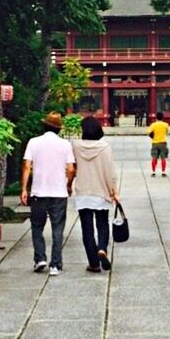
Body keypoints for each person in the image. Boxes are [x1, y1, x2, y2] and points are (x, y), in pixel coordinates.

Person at [21, 111, 76, 276]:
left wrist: (24, 188)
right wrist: (68, 184)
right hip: (58, 192)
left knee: (37, 226)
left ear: (44, 125)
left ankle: (40, 259)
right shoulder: (65, 144)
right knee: (57, 229)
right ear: (59, 129)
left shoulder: (34, 142)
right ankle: (55, 265)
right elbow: (71, 169)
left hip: (39, 191)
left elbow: (26, 166)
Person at [71, 116, 120, 272]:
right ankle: (102, 249)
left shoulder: (76, 146)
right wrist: (114, 191)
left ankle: (93, 263)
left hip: (83, 191)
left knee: (87, 228)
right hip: (101, 191)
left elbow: (72, 167)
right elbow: (110, 171)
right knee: (102, 224)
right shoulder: (105, 147)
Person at [148, 111, 169, 177]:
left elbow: (150, 133)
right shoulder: (165, 124)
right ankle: (163, 172)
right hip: (163, 142)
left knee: (154, 158)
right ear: (162, 117)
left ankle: (153, 172)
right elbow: (166, 132)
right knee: (163, 158)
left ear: (156, 117)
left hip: (155, 142)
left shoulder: (153, 125)